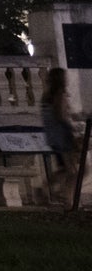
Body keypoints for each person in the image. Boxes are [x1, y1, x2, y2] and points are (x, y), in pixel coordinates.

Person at [40, 68, 79, 205]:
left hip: (54, 137)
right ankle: (68, 198)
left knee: (66, 169)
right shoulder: (59, 94)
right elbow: (61, 116)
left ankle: (51, 189)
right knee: (73, 171)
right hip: (62, 137)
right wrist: (73, 129)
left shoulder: (46, 96)